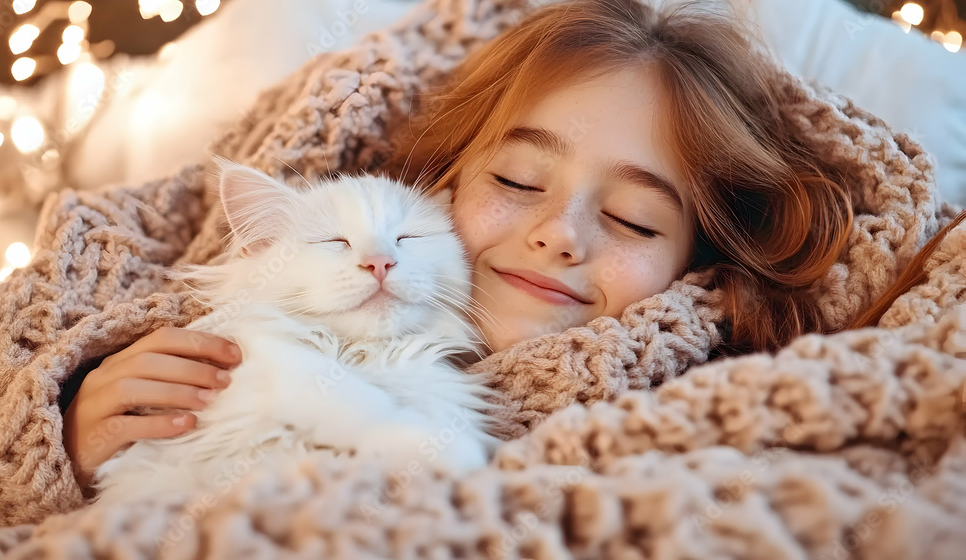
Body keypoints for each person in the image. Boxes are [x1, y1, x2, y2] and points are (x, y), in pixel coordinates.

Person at [59, 0, 961, 495]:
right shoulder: (246, 323)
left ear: (699, 262)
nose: (557, 234)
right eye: (520, 182)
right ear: (445, 182)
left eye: (635, 221)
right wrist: (69, 444)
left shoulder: (732, 423)